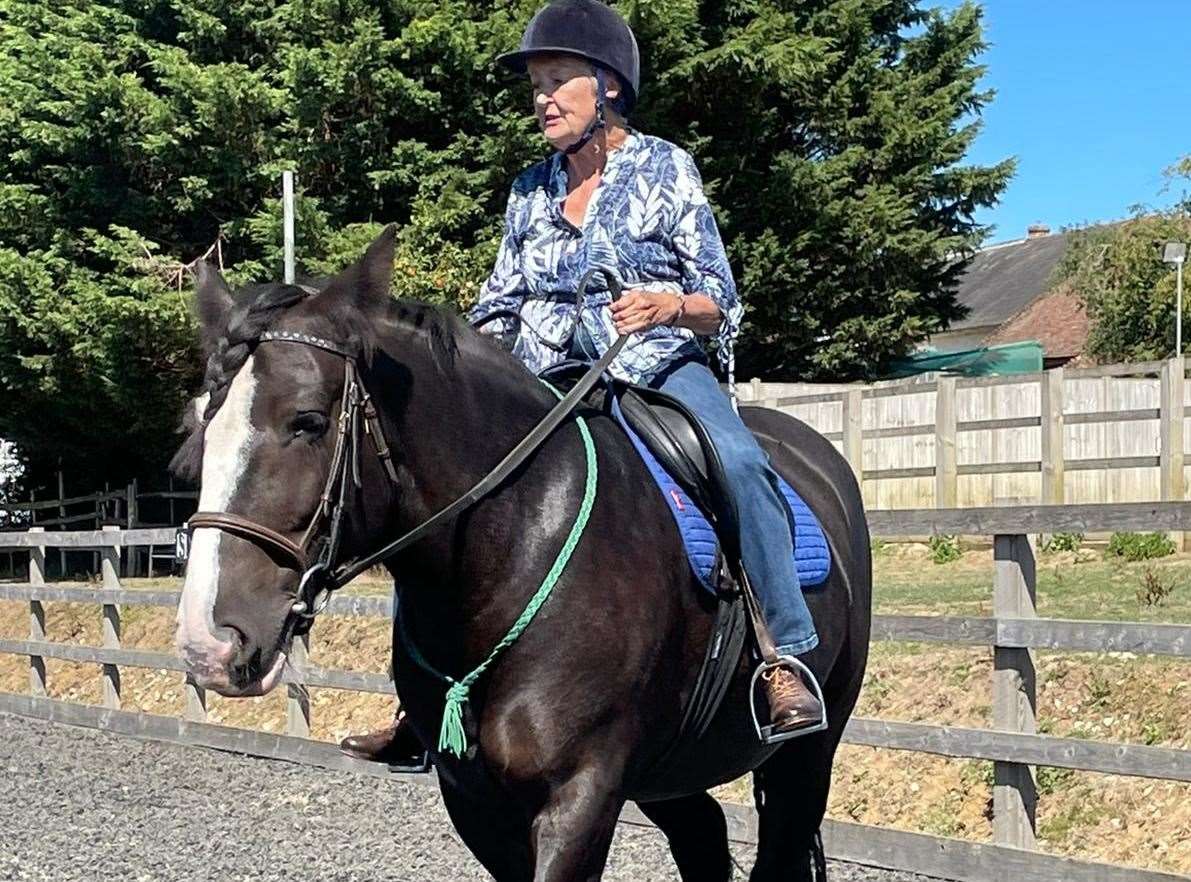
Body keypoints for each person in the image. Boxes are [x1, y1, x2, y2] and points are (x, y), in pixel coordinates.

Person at [340, 0, 822, 765]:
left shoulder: (665, 168)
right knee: (438, 499)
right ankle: (421, 698)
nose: (543, 99)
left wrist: (668, 304)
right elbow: (498, 303)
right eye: (536, 84)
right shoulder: (527, 189)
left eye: (558, 80)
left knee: (736, 461)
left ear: (608, 88)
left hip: (652, 367)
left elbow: (716, 297)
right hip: (539, 381)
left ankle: (783, 656)